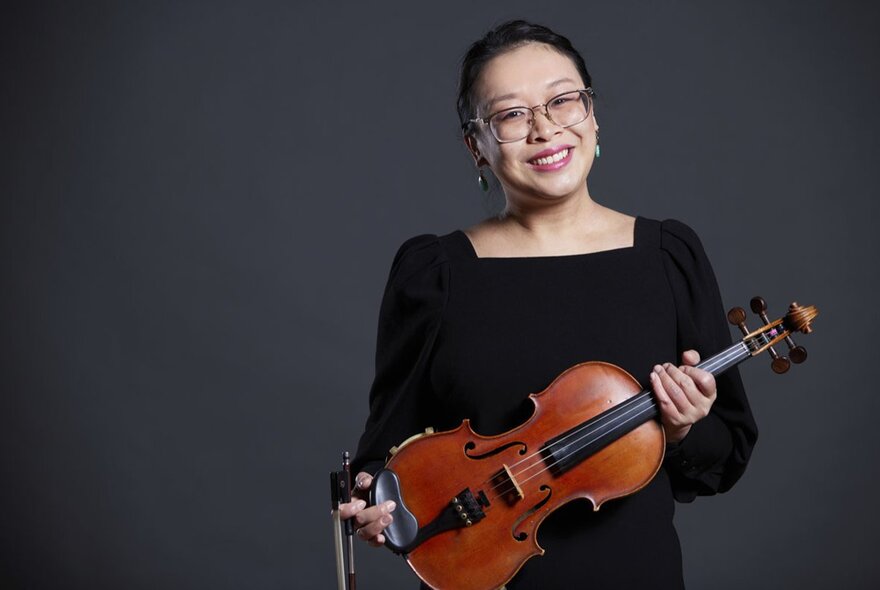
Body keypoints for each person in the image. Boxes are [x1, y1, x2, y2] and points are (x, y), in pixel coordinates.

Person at [338, 20, 758, 589]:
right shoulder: (433, 274)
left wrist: (684, 430)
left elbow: (724, 454)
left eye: (563, 101)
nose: (544, 129)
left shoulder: (667, 254)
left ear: (592, 116)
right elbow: (383, 457)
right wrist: (374, 503)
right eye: (511, 115)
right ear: (476, 146)